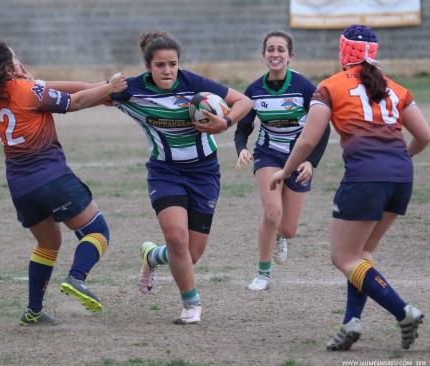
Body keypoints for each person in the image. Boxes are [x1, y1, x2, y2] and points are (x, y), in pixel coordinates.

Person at [270, 25, 430, 350]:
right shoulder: (395, 88)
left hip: (365, 177)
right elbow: (424, 135)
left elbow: (310, 138)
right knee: (361, 255)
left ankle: (404, 311)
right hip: (401, 177)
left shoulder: (329, 87)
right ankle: (350, 324)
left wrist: (285, 170)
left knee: (343, 257)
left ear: (344, 52)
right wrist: (399, 160)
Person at [0, 41, 128, 325]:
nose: (22, 62)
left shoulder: (5, 93)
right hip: (52, 178)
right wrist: (109, 89)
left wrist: (101, 86)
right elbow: (75, 101)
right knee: (97, 231)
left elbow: (65, 87)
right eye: (17, 58)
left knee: (48, 243)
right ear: (9, 69)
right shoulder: (26, 90)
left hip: (21, 189)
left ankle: (34, 310)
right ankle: (77, 278)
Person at [109, 31, 253, 324]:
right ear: (148, 66)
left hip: (204, 172)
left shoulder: (194, 83)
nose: (168, 70)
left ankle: (152, 256)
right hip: (165, 172)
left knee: (191, 254)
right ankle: (191, 306)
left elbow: (244, 102)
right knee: (177, 240)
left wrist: (223, 122)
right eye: (160, 65)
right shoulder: (132, 89)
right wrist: (37, 88)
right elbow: (84, 91)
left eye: (172, 64)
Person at [234, 30, 330, 291]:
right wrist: (242, 148)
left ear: (290, 56)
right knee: (272, 212)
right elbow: (243, 127)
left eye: (280, 50)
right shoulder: (254, 90)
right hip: (268, 154)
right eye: (271, 49)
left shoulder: (304, 87)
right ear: (263, 54)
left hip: (299, 157)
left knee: (288, 229)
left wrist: (312, 162)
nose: (275, 54)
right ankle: (263, 273)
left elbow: (323, 127)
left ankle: (279, 236)